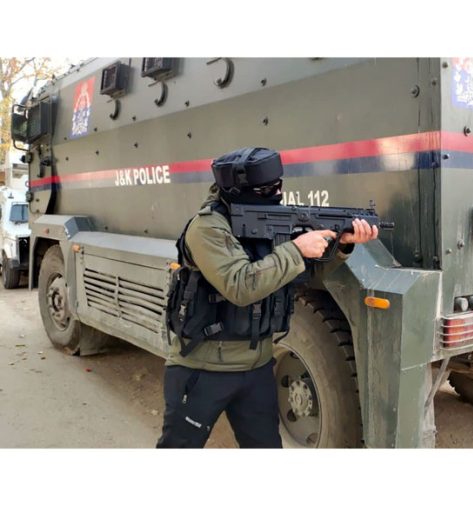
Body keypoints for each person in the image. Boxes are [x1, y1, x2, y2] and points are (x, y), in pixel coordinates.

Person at [156, 147, 378, 448]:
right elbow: (241, 285)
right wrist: (297, 249)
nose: (276, 194)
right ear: (237, 191)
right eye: (266, 190)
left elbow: (298, 275)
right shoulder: (207, 227)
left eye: (278, 187)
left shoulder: (267, 221)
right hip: (202, 369)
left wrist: (341, 246)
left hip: (257, 366)